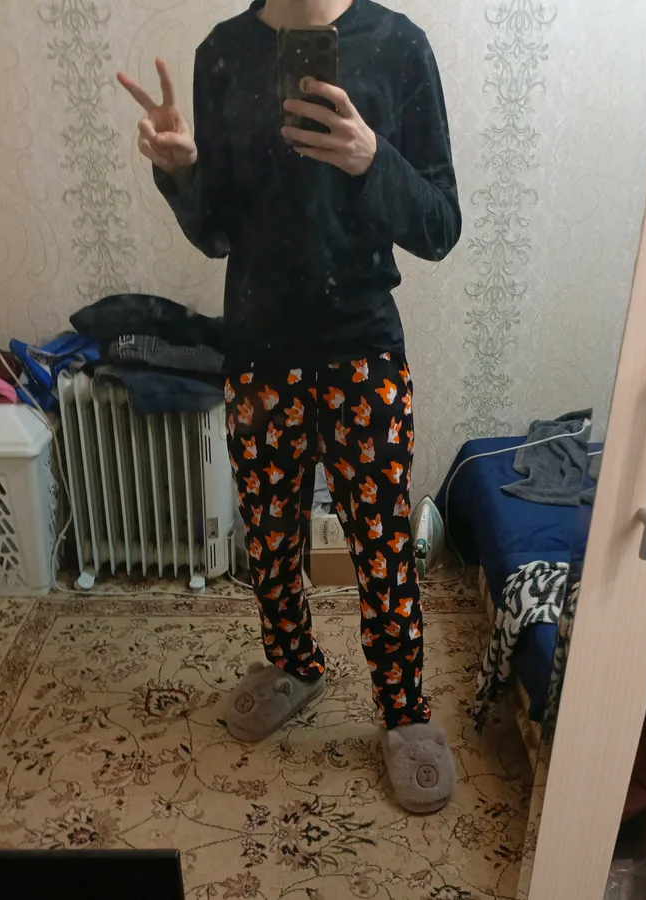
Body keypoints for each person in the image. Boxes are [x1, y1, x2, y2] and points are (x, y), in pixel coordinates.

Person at [118, 0, 461, 813]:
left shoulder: (400, 47)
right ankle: (294, 664)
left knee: (383, 547)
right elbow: (216, 235)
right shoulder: (223, 52)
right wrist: (181, 171)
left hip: (362, 350)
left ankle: (404, 711)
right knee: (269, 541)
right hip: (258, 353)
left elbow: (440, 226)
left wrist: (372, 159)